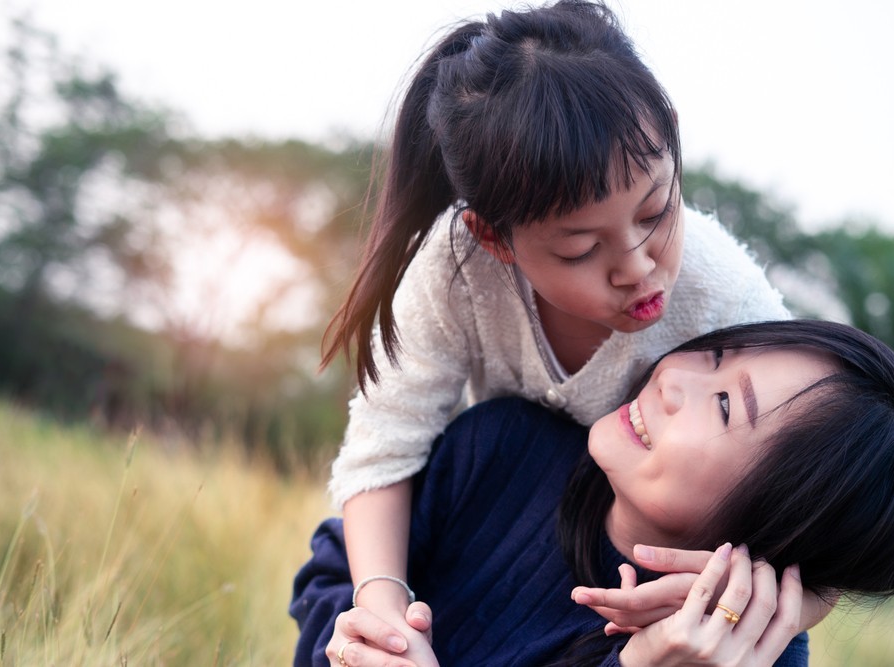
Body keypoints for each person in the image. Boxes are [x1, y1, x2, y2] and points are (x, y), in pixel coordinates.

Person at [318, 2, 790, 659]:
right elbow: (382, 448)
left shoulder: (732, 298)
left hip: (644, 570)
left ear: (673, 142)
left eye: (656, 211)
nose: (637, 267)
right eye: (580, 249)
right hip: (498, 523)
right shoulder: (457, 272)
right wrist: (387, 620)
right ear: (494, 239)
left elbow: (828, 476)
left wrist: (783, 599)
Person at [292, 320, 894, 666]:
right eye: (717, 354)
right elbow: (329, 570)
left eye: (726, 404)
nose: (673, 378)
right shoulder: (502, 444)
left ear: (787, 517)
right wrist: (365, 639)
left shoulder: (750, 656)